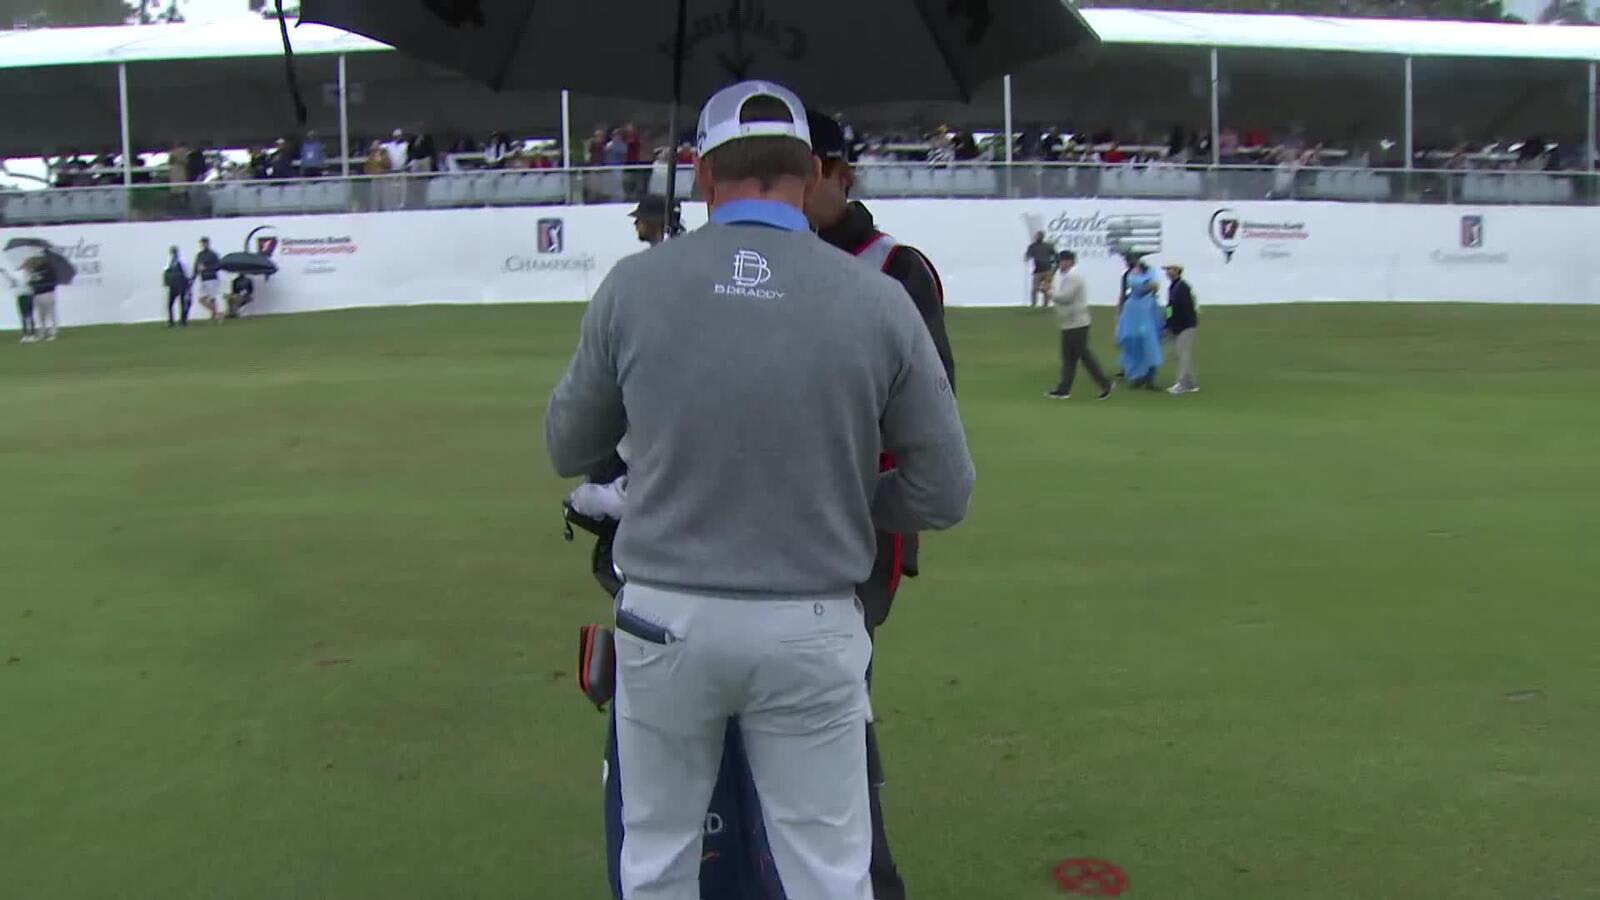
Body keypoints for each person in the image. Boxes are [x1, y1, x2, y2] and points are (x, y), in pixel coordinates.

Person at [546, 79, 974, 900]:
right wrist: (849, 502)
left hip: (665, 614)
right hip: (811, 620)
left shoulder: (635, 286)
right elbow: (944, 490)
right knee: (828, 875)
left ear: (703, 176)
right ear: (809, 173)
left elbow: (568, 444)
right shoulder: (878, 299)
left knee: (657, 862)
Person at [1046, 251, 1112, 400]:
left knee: (1083, 355)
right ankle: (1064, 389)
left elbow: (1066, 298)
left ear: (1069, 261)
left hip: (1077, 322)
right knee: (1069, 358)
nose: (1059, 265)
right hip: (1069, 323)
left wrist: (1050, 292)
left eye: (1061, 261)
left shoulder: (1073, 276)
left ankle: (1105, 383)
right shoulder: (1067, 277)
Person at [1116, 252, 1164, 390]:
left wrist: (1148, 286)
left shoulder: (1147, 271)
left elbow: (1153, 286)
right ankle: (1139, 376)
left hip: (1146, 310)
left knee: (1149, 342)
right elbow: (1145, 287)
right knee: (1134, 342)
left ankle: (1149, 378)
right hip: (1135, 311)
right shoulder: (1130, 275)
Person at [1163, 264, 1200, 394]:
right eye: (1167, 270)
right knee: (1181, 354)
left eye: (1170, 269)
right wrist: (1168, 323)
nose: (1167, 272)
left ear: (1177, 271)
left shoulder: (1182, 287)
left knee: (1182, 354)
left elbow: (1185, 309)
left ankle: (1182, 384)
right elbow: (1170, 308)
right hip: (1179, 326)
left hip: (1185, 326)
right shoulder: (1174, 286)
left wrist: (1176, 325)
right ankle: (1190, 383)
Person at [24, 256, 60, 342]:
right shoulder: (35, 271)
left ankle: (52, 333)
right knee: (41, 316)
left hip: (48, 294)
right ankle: (42, 333)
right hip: (37, 295)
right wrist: (32, 279)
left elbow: (53, 282)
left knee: (51, 314)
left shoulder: (49, 270)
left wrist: (40, 280)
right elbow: (30, 283)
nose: (35, 262)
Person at [1024, 230, 1056, 309]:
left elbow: (1055, 255)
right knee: (1035, 288)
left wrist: (1052, 263)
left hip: (1048, 270)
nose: (1037, 237)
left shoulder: (1048, 246)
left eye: (1039, 236)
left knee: (1046, 288)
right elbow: (1028, 255)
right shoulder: (1032, 246)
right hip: (1037, 270)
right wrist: (1027, 257)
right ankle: (1034, 304)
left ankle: (1045, 304)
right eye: (1037, 236)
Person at [193, 238, 223, 323]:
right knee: (202, 299)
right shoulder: (200, 255)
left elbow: (218, 266)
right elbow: (196, 266)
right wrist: (193, 277)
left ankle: (214, 315)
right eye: (202, 243)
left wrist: (207, 268)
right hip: (203, 278)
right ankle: (217, 313)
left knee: (212, 298)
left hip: (212, 278)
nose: (203, 245)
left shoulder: (213, 254)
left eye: (205, 243)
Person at [5, 266, 36, 344]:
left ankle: (32, 335)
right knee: (23, 315)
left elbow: (28, 283)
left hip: (28, 295)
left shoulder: (28, 273)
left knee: (28, 315)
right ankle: (26, 335)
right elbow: (13, 284)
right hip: (20, 295)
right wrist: (8, 277)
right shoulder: (16, 273)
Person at [163, 246, 191, 327]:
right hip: (173, 284)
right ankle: (171, 320)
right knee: (170, 303)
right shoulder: (170, 262)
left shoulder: (182, 261)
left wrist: (188, 283)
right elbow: (167, 271)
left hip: (181, 284)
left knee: (182, 302)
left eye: (174, 252)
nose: (173, 254)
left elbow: (187, 272)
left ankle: (183, 320)